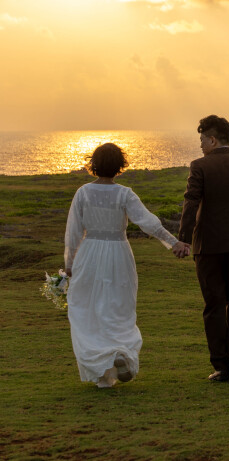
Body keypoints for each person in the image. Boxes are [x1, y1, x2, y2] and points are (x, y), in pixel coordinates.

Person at [65, 143, 190, 388]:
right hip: (118, 253)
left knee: (89, 310)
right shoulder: (125, 193)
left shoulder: (83, 192)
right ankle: (119, 354)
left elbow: (72, 232)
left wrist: (69, 263)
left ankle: (103, 372)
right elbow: (148, 222)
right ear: (119, 167)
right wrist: (173, 242)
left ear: (94, 165)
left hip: (89, 252)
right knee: (118, 308)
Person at [177, 115, 229, 382]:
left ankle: (221, 366)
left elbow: (191, 202)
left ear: (212, 139)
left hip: (208, 245)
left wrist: (184, 238)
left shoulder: (199, 166)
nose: (201, 145)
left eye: (202, 140)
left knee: (214, 304)